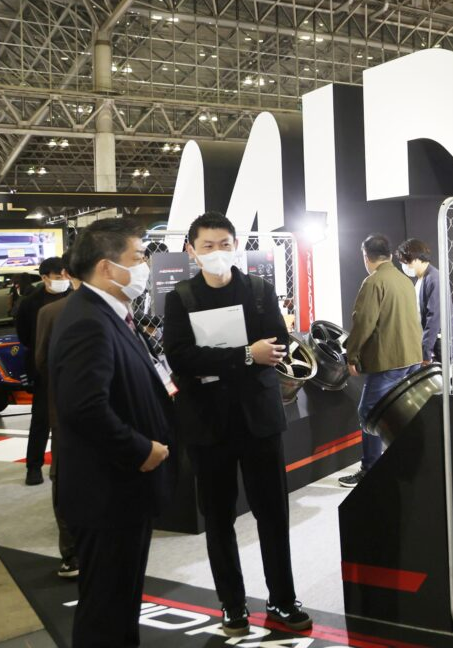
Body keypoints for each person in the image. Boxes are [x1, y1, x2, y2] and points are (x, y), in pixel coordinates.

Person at [162, 212, 311, 636]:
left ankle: (283, 599)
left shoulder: (259, 291)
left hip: (258, 420)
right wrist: (246, 354)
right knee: (218, 517)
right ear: (191, 251)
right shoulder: (181, 298)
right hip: (208, 424)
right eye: (207, 246)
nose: (217, 252)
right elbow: (180, 358)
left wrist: (220, 360)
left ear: (237, 245)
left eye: (224, 244)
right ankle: (232, 605)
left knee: (273, 514)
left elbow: (277, 347)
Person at [51, 218, 173, 648]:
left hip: (120, 492)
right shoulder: (89, 320)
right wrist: (140, 450)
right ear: (107, 267)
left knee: (120, 604)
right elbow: (84, 407)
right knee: (105, 611)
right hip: (107, 492)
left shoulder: (108, 313)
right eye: (138, 257)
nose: (144, 267)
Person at [338, 235, 422, 488]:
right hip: (411, 357)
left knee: (369, 413)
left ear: (366, 257)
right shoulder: (404, 280)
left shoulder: (374, 282)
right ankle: (403, 462)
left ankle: (370, 469)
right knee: (399, 412)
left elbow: (363, 322)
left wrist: (351, 355)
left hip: (388, 361)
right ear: (390, 255)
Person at [34, 254, 81, 580]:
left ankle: (72, 555)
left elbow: (42, 362)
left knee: (65, 479)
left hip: (63, 409)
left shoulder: (50, 313)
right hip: (73, 412)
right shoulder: (115, 308)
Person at [17, 256, 72, 485]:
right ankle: (34, 466)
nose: (63, 280)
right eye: (58, 277)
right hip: (43, 368)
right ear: (44, 278)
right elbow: (24, 336)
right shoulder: (30, 303)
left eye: (65, 275)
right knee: (41, 419)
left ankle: (68, 465)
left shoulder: (74, 297)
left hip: (71, 365)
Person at [396, 238, 453, 365]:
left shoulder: (434, 279)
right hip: (431, 345)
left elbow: (434, 318)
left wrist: (426, 352)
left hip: (439, 347)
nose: (405, 267)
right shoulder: (422, 278)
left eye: (406, 262)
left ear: (416, 259)